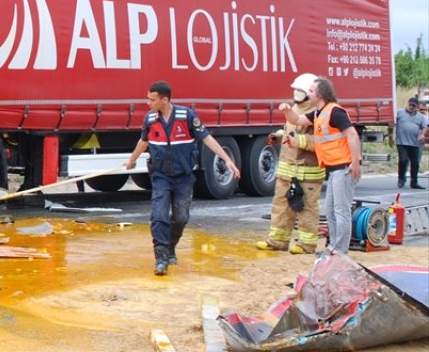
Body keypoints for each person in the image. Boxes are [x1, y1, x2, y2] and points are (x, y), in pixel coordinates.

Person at [124, 80, 241, 276]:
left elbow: (207, 138)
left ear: (165, 99)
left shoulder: (186, 116)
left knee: (181, 217)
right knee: (159, 216)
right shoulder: (150, 119)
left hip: (183, 176)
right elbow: (143, 141)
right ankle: (160, 258)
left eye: (152, 99)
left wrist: (227, 159)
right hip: (161, 175)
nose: (148, 103)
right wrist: (132, 160)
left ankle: (171, 247)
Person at [280, 77, 362, 254]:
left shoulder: (335, 112)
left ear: (321, 94)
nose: (307, 93)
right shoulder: (318, 113)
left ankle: (341, 251)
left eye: (311, 91)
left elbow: (352, 135)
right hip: (333, 169)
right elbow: (297, 120)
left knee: (341, 211)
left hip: (344, 167)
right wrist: (287, 110)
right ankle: (334, 247)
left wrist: (355, 163)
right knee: (331, 211)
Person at [257, 73, 324, 254]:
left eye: (299, 90)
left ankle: (306, 245)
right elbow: (289, 132)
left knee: (307, 210)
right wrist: (279, 137)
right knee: (280, 206)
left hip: (307, 172)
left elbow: (321, 141)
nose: (295, 93)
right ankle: (277, 240)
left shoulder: (317, 114)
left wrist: (299, 141)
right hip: (287, 170)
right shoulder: (295, 109)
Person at [394, 96, 427, 189]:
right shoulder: (399, 113)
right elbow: (392, 123)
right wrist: (390, 136)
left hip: (414, 143)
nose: (411, 107)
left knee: (415, 163)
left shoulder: (420, 117)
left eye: (414, 106)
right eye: (410, 105)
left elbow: (424, 127)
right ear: (408, 104)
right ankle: (401, 179)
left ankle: (414, 182)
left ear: (416, 107)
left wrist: (422, 135)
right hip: (402, 142)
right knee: (403, 160)